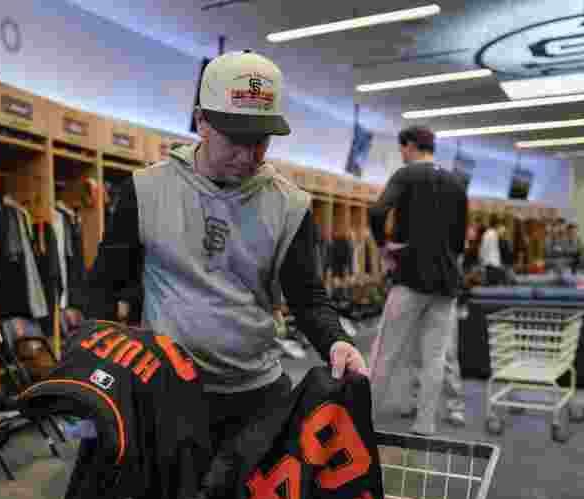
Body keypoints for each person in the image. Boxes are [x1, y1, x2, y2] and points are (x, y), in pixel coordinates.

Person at [66, 50, 367, 453]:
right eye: (236, 141)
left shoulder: (290, 205)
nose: (248, 157)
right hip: (165, 391)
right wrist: (93, 371)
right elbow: (105, 283)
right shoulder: (146, 190)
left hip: (256, 395)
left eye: (260, 142)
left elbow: (307, 296)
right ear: (201, 122)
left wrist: (335, 341)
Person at [368, 126, 467, 436]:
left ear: (410, 146)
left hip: (410, 277)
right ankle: (425, 422)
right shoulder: (457, 182)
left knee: (387, 351)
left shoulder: (406, 175)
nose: (402, 155)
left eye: (402, 149)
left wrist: (384, 246)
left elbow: (377, 211)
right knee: (435, 357)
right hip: (446, 283)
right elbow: (460, 241)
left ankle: (363, 418)